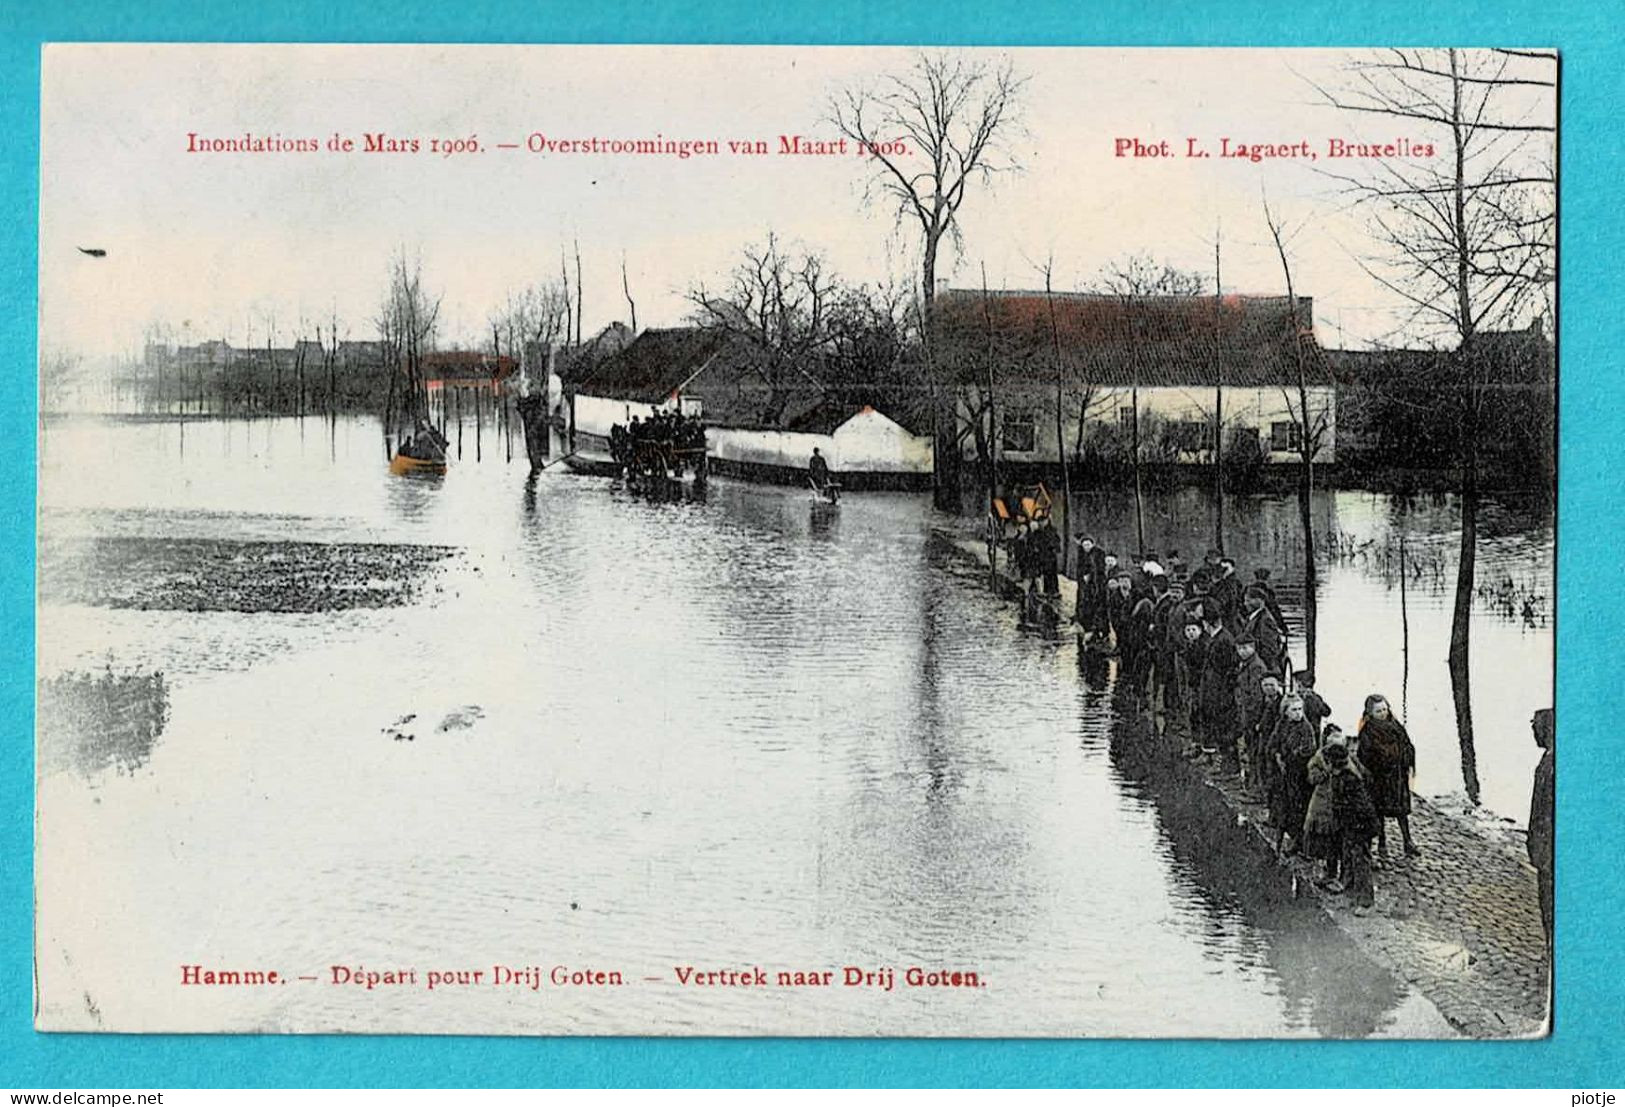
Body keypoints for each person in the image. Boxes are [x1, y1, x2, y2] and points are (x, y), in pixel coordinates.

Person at [1358, 694, 1421, 860]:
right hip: (1380, 779)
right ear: (1370, 713)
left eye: (1385, 709)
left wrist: (1406, 758)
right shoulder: (1368, 731)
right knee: (1379, 812)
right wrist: (1383, 761)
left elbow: (1407, 744)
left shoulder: (1395, 725)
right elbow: (1365, 756)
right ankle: (1382, 843)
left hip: (1397, 777)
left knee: (1402, 811)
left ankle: (1408, 841)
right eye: (1378, 711)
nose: (1383, 713)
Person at [1330, 739, 1380, 910]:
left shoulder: (1349, 779)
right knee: (1350, 861)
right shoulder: (1341, 776)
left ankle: (1366, 903)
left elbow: (1359, 807)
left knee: (1361, 863)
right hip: (1351, 826)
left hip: (1360, 826)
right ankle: (1352, 896)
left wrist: (1356, 828)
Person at [1304, 725, 1354, 886]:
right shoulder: (1318, 759)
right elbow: (1312, 778)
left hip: (1342, 806)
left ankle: (1343, 875)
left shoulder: (1348, 761)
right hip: (1323, 804)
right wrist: (1325, 773)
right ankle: (1330, 872)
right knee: (1328, 843)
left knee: (1342, 843)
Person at [1273, 695, 1318, 855]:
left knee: (1299, 807)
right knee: (1286, 805)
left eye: (1300, 709)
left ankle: (1299, 842)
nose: (1298, 713)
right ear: (1286, 712)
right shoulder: (1282, 724)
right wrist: (1278, 754)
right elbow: (1274, 742)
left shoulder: (1306, 728)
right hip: (1286, 772)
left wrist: (1290, 756)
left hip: (1300, 774)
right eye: (1294, 710)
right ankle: (1285, 837)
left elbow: (1308, 749)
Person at [1197, 610, 1240, 771]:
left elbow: (1227, 669)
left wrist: (1223, 691)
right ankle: (1215, 757)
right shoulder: (1219, 638)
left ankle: (1227, 764)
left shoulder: (1223, 640)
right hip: (1213, 689)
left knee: (1224, 726)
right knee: (1214, 722)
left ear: (1207, 624)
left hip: (1220, 691)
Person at [1528, 708, 1554, 953]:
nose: (1533, 732)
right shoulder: (1550, 761)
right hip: (1546, 848)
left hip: (1548, 850)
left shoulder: (1550, 765)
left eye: (1535, 726)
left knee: (1548, 901)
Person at [1233, 639, 1269, 796]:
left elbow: (1256, 697)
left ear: (1253, 648)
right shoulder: (1246, 664)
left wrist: (1253, 721)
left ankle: (1257, 789)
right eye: (1239, 648)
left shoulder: (1256, 667)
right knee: (1250, 752)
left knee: (1255, 754)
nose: (1242, 651)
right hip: (1246, 715)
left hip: (1253, 717)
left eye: (1245, 648)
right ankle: (1252, 786)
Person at [1241, 587, 1285, 677]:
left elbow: (1269, 648)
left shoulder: (1265, 620)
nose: (1245, 604)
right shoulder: (1254, 617)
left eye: (1248, 601)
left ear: (1259, 600)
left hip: (1261, 667)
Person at [1074, 536, 1108, 633]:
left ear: (1092, 544)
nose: (1086, 547)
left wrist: (1091, 576)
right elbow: (1079, 569)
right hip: (1085, 585)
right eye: (1084, 545)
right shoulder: (1081, 554)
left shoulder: (1098, 554)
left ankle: (1099, 628)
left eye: (1088, 544)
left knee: (1098, 605)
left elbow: (1099, 569)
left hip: (1097, 584)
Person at [1029, 516, 1062, 596]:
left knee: (1051, 574)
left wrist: (1054, 549)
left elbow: (1056, 542)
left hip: (1050, 557)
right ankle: (1044, 591)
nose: (1041, 523)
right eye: (1040, 522)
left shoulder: (1052, 531)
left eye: (1043, 521)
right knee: (1042, 573)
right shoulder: (1037, 533)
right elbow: (1033, 542)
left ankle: (1053, 591)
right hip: (1041, 556)